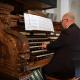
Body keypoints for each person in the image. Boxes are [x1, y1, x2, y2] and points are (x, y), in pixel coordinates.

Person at [41, 12, 80, 80]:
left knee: (43, 69)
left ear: (66, 20)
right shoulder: (77, 30)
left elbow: (56, 44)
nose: (61, 23)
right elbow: (63, 43)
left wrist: (46, 46)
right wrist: (51, 43)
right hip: (76, 67)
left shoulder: (67, 31)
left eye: (62, 20)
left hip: (67, 69)